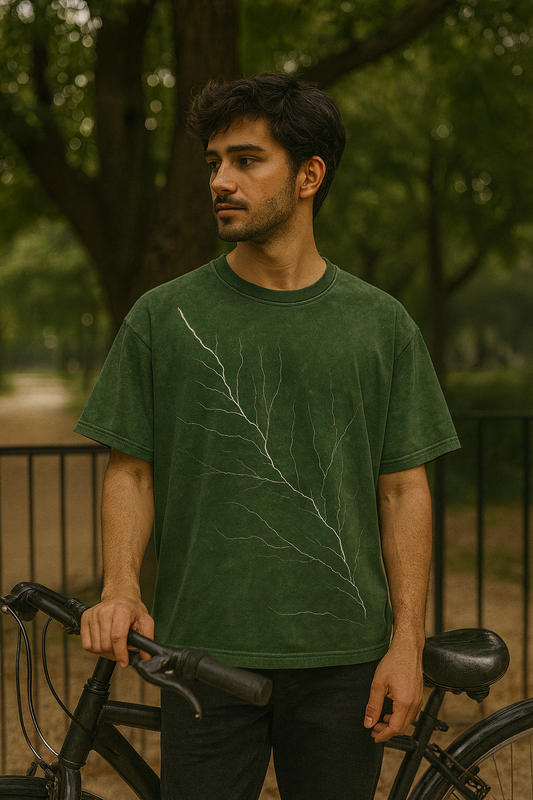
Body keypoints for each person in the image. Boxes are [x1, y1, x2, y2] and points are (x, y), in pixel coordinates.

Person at [77, 72, 460, 800]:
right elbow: (131, 471)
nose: (219, 180)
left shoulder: (380, 324)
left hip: (345, 658)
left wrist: (406, 644)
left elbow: (402, 490)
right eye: (214, 162)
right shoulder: (163, 318)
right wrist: (120, 587)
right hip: (199, 655)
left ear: (309, 176)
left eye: (246, 160)